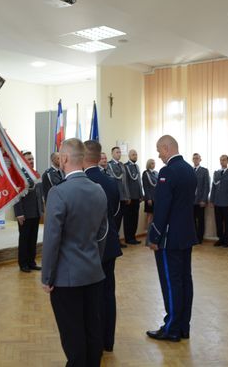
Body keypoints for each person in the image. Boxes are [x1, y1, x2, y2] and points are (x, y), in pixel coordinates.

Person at [42, 138, 108, 366]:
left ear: (65, 159)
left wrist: (47, 276)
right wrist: (94, 260)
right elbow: (102, 233)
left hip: (66, 278)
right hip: (93, 273)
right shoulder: (98, 189)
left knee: (73, 337)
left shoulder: (58, 193)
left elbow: (51, 240)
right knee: (92, 329)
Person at [146, 135, 197, 342]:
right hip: (185, 234)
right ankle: (183, 326)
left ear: (167, 148)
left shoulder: (168, 171)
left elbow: (162, 207)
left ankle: (171, 328)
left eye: (160, 150)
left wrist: (154, 236)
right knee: (185, 281)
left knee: (171, 283)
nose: (159, 155)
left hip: (169, 238)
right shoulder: (188, 169)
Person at [84, 140, 123, 353]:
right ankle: (108, 341)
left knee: (91, 297)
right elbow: (116, 212)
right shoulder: (109, 181)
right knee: (108, 293)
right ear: (99, 157)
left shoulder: (80, 181)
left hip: (88, 248)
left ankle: (94, 342)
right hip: (109, 245)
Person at [13, 151, 44, 272]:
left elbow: (39, 194)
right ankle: (23, 264)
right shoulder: (19, 175)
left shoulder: (36, 174)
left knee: (33, 239)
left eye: (32, 159)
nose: (31, 161)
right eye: (29, 159)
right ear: (23, 161)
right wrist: (19, 213)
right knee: (24, 239)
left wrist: (40, 210)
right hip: (25, 213)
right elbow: (16, 196)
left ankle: (31, 262)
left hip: (35, 212)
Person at [210, 155, 228, 247]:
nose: (222, 162)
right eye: (221, 160)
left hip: (227, 202)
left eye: (224, 160)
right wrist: (212, 200)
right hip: (217, 202)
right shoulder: (216, 173)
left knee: (227, 222)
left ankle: (227, 240)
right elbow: (213, 187)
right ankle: (220, 238)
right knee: (218, 222)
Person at [107, 146, 130, 248]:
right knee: (114, 220)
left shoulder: (122, 165)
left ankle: (117, 240)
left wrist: (127, 196)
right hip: (115, 196)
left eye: (120, 152)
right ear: (112, 154)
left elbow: (125, 183)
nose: (119, 154)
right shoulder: (109, 165)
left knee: (119, 219)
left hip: (122, 197)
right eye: (117, 152)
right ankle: (113, 241)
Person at [123, 149, 144, 244]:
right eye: (133, 154)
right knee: (128, 219)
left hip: (136, 197)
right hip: (130, 197)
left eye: (136, 154)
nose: (135, 156)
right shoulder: (125, 166)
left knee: (135, 218)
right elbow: (125, 183)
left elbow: (139, 182)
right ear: (129, 156)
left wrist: (141, 195)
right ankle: (128, 238)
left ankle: (133, 236)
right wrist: (127, 196)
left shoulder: (137, 167)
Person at [192, 153, 210, 244]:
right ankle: (193, 237)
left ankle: (200, 238)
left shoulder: (204, 171)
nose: (195, 160)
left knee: (201, 220)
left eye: (197, 158)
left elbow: (206, 186)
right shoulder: (189, 170)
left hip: (200, 201)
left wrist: (204, 199)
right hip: (190, 201)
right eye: (194, 158)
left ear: (200, 159)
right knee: (192, 220)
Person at [142, 159, 158, 231]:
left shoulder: (156, 173)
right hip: (150, 198)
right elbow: (145, 186)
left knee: (155, 216)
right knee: (150, 215)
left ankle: (153, 232)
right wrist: (148, 198)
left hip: (156, 198)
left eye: (154, 163)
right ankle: (148, 232)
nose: (153, 164)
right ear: (148, 164)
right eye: (152, 163)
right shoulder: (146, 173)